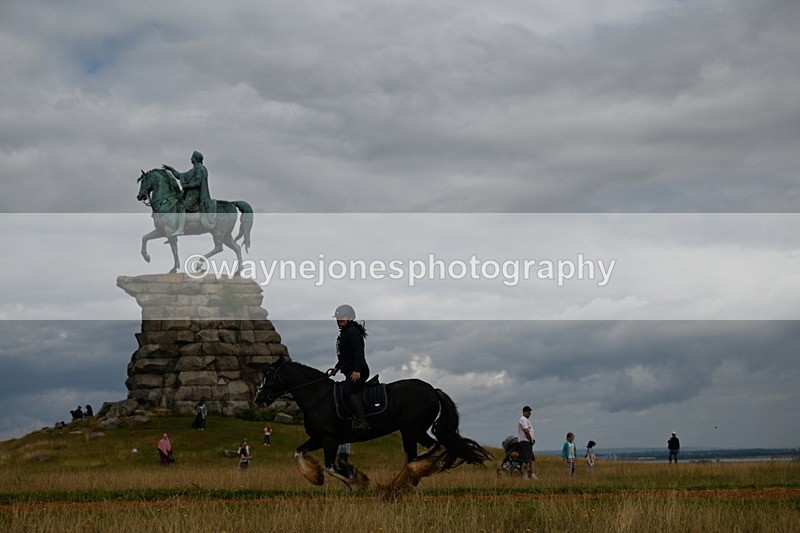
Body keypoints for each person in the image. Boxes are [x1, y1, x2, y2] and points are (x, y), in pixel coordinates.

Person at [327, 304, 371, 432]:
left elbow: (359, 352)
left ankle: (363, 421)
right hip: (351, 370)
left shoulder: (351, 332)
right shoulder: (344, 333)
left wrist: (357, 371)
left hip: (359, 370)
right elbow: (345, 356)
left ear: (350, 318)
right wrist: (336, 368)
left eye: (343, 317)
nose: (340, 319)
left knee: (347, 392)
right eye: (338, 317)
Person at [162, 151, 213, 236]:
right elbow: (179, 176)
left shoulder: (200, 169)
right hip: (190, 195)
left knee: (182, 206)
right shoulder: (193, 170)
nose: (191, 159)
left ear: (196, 159)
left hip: (196, 196)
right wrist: (171, 169)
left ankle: (181, 229)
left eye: (192, 157)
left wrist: (186, 186)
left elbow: (198, 183)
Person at [517, 405, 537, 480]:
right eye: (527, 411)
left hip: (527, 442)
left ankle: (532, 474)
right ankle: (525, 475)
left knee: (531, 459)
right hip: (525, 442)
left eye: (530, 411)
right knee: (526, 460)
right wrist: (530, 440)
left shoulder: (526, 420)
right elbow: (526, 431)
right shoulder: (523, 419)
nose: (529, 413)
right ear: (524, 412)